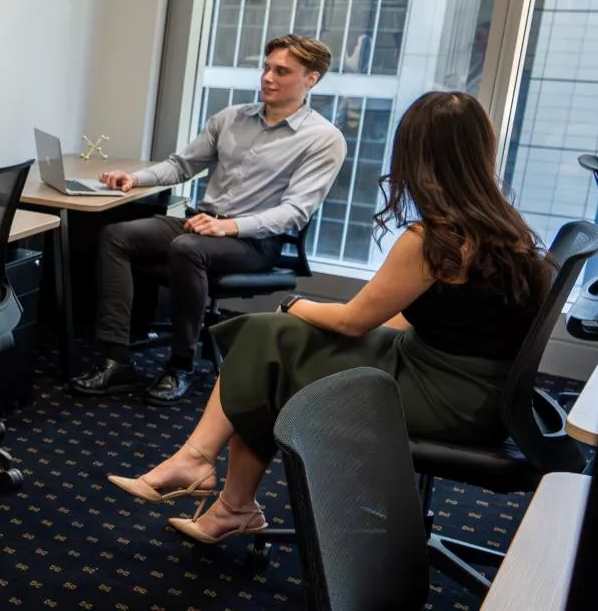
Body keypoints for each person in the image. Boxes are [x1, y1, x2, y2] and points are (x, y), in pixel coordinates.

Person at [108, 91, 551, 543]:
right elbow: (438, 319)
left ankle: (216, 484)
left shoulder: (433, 239)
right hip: (469, 387)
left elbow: (353, 320)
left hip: (448, 398)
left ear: (418, 157)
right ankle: (212, 482)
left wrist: (294, 306)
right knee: (267, 339)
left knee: (272, 351)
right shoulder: (502, 225)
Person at [71, 34, 347, 405]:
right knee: (116, 235)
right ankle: (116, 359)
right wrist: (137, 178)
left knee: (187, 249)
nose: (267, 77)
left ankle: (180, 365)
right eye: (266, 68)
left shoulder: (323, 139)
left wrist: (230, 226)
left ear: (310, 79)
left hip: (252, 240)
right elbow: (181, 165)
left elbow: (295, 212)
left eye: (281, 71)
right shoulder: (231, 118)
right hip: (201, 222)